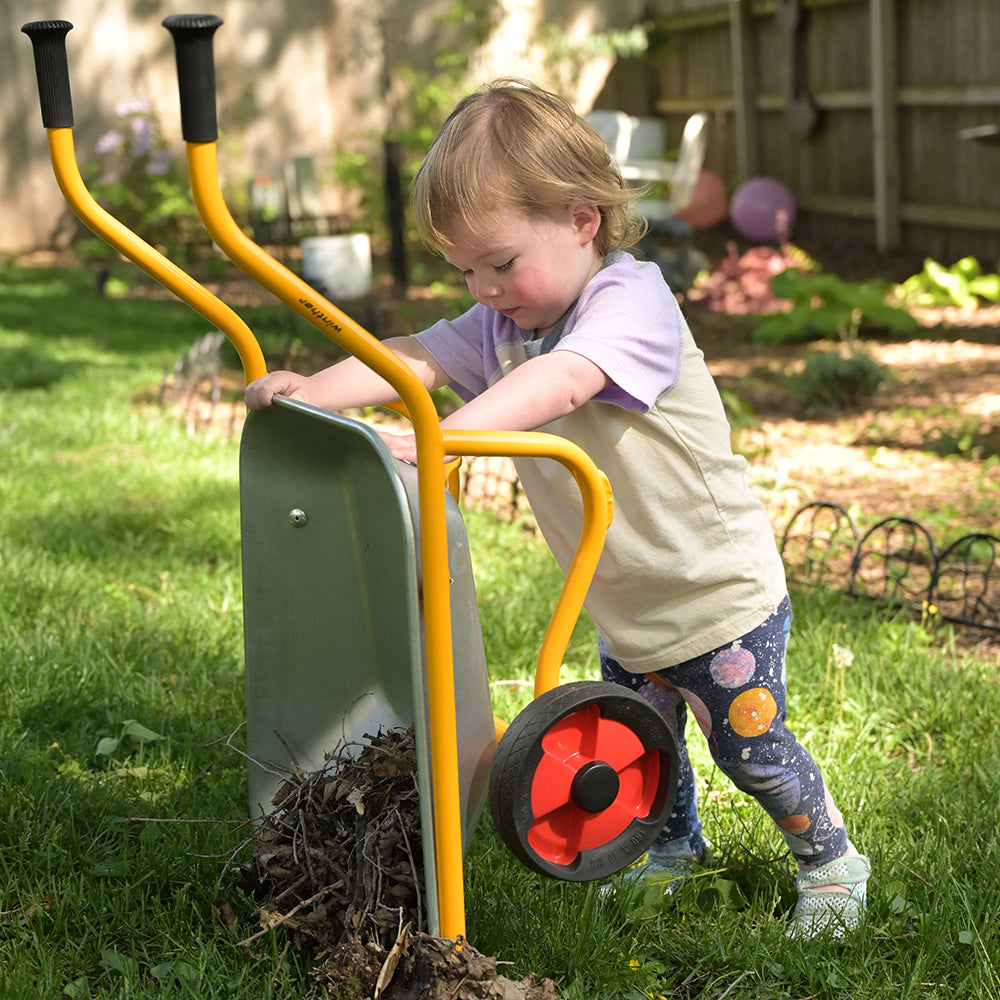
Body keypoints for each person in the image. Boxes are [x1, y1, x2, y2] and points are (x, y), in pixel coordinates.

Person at [245, 78, 870, 939]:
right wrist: (313, 392)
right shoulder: (506, 320)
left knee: (749, 750)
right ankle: (669, 851)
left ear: (582, 219)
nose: (486, 289)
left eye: (500, 263)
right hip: (627, 602)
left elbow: (564, 379)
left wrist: (443, 440)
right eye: (466, 270)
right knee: (646, 744)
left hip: (716, 594)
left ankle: (831, 861)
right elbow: (414, 358)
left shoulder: (630, 303)